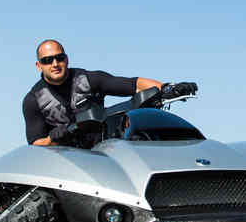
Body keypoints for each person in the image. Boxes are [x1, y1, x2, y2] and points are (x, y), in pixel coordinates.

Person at [22, 39, 195, 146]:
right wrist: (53, 138)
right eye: (47, 60)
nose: (55, 64)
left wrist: (168, 88)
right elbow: (36, 143)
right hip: (67, 159)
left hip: (106, 150)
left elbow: (134, 84)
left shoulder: (89, 79)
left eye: (59, 58)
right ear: (39, 65)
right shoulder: (33, 100)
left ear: (66, 59)